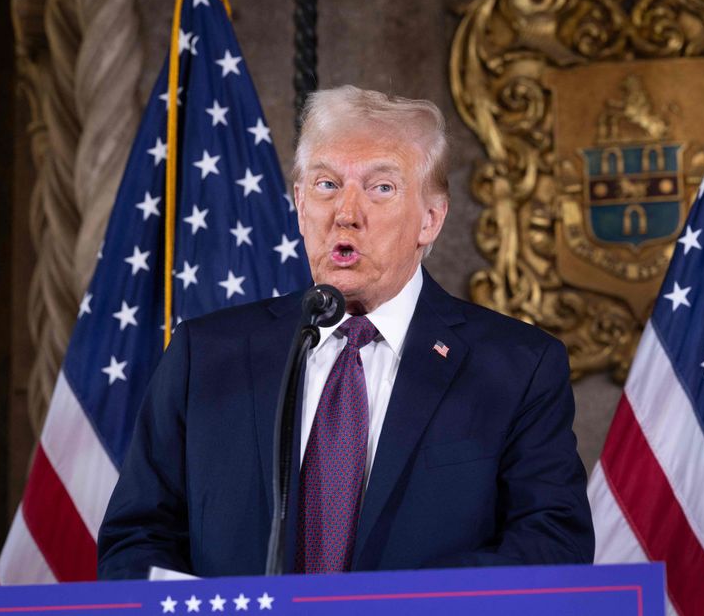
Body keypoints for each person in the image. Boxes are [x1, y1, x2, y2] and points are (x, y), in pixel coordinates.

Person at [97, 86, 594, 578]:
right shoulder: (205, 355)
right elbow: (137, 540)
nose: (346, 214)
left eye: (381, 188)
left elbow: (551, 543)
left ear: (431, 219)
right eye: (326, 185)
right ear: (299, 203)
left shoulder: (517, 367)